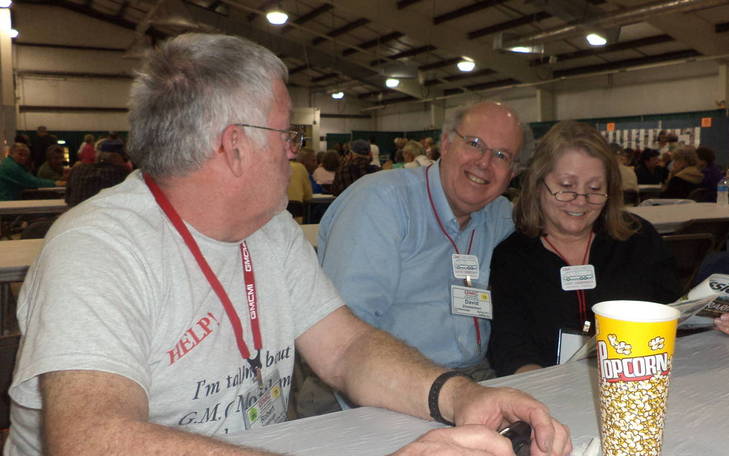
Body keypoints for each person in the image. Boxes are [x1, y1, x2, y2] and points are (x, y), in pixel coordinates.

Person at [5, 33, 570, 456]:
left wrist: (458, 397)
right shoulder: (98, 249)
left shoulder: (270, 229)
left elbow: (347, 350)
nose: (294, 152)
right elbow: (89, 440)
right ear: (235, 146)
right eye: (288, 135)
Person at [487, 121, 729, 376]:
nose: (580, 201)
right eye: (566, 187)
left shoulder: (638, 238)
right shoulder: (512, 256)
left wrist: (717, 319)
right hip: (552, 391)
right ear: (537, 184)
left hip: (636, 381)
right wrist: (543, 390)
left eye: (595, 189)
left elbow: (672, 313)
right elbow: (510, 346)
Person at [318, 101, 530, 381]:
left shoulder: (501, 217)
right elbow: (342, 340)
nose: (484, 162)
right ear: (445, 144)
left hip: (478, 375)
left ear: (512, 173)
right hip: (382, 378)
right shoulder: (381, 203)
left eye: (502, 155)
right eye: (475, 143)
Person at [64, 150, 130, 207]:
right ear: (117, 158)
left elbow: (67, 199)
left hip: (74, 216)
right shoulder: (121, 174)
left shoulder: (77, 169)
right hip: (105, 218)